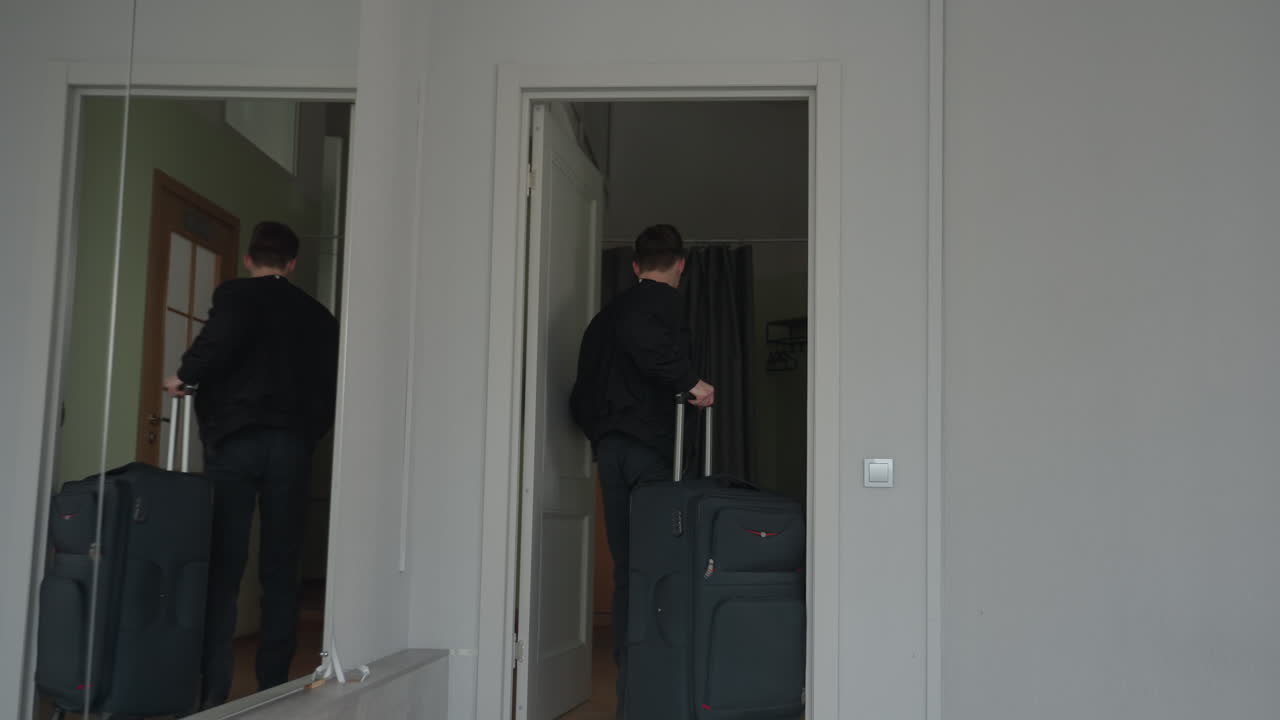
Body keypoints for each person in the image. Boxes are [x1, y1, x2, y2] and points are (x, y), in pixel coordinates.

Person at [163, 221, 339, 709]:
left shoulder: (236, 295)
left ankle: (212, 691)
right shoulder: (319, 317)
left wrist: (182, 376)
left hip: (234, 440)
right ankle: (274, 687)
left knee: (223, 563)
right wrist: (306, 436)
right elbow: (329, 389)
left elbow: (217, 346)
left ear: (248, 259)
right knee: (281, 568)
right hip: (290, 446)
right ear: (292, 263)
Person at [569, 224, 714, 714]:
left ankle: (633, 678)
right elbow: (647, 346)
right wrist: (691, 382)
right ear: (680, 265)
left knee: (629, 562)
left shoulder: (603, 318)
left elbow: (582, 390)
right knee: (658, 562)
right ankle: (657, 677)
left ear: (635, 265)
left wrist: (599, 431)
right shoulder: (657, 306)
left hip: (611, 447)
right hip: (650, 447)